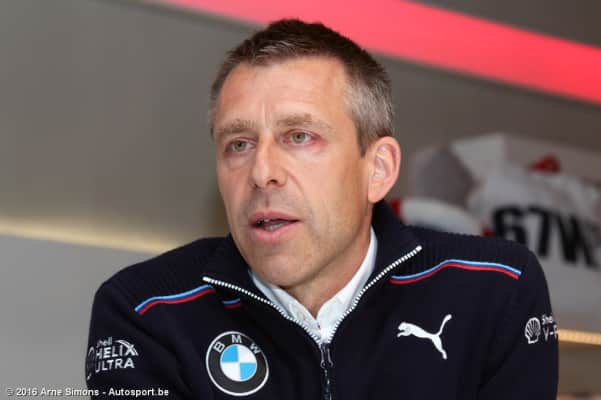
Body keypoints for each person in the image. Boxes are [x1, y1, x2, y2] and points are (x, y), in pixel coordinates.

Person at [86, 19, 558, 399]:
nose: (261, 172)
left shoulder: (495, 288)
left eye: (299, 137)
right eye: (239, 143)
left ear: (378, 169)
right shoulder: (146, 311)